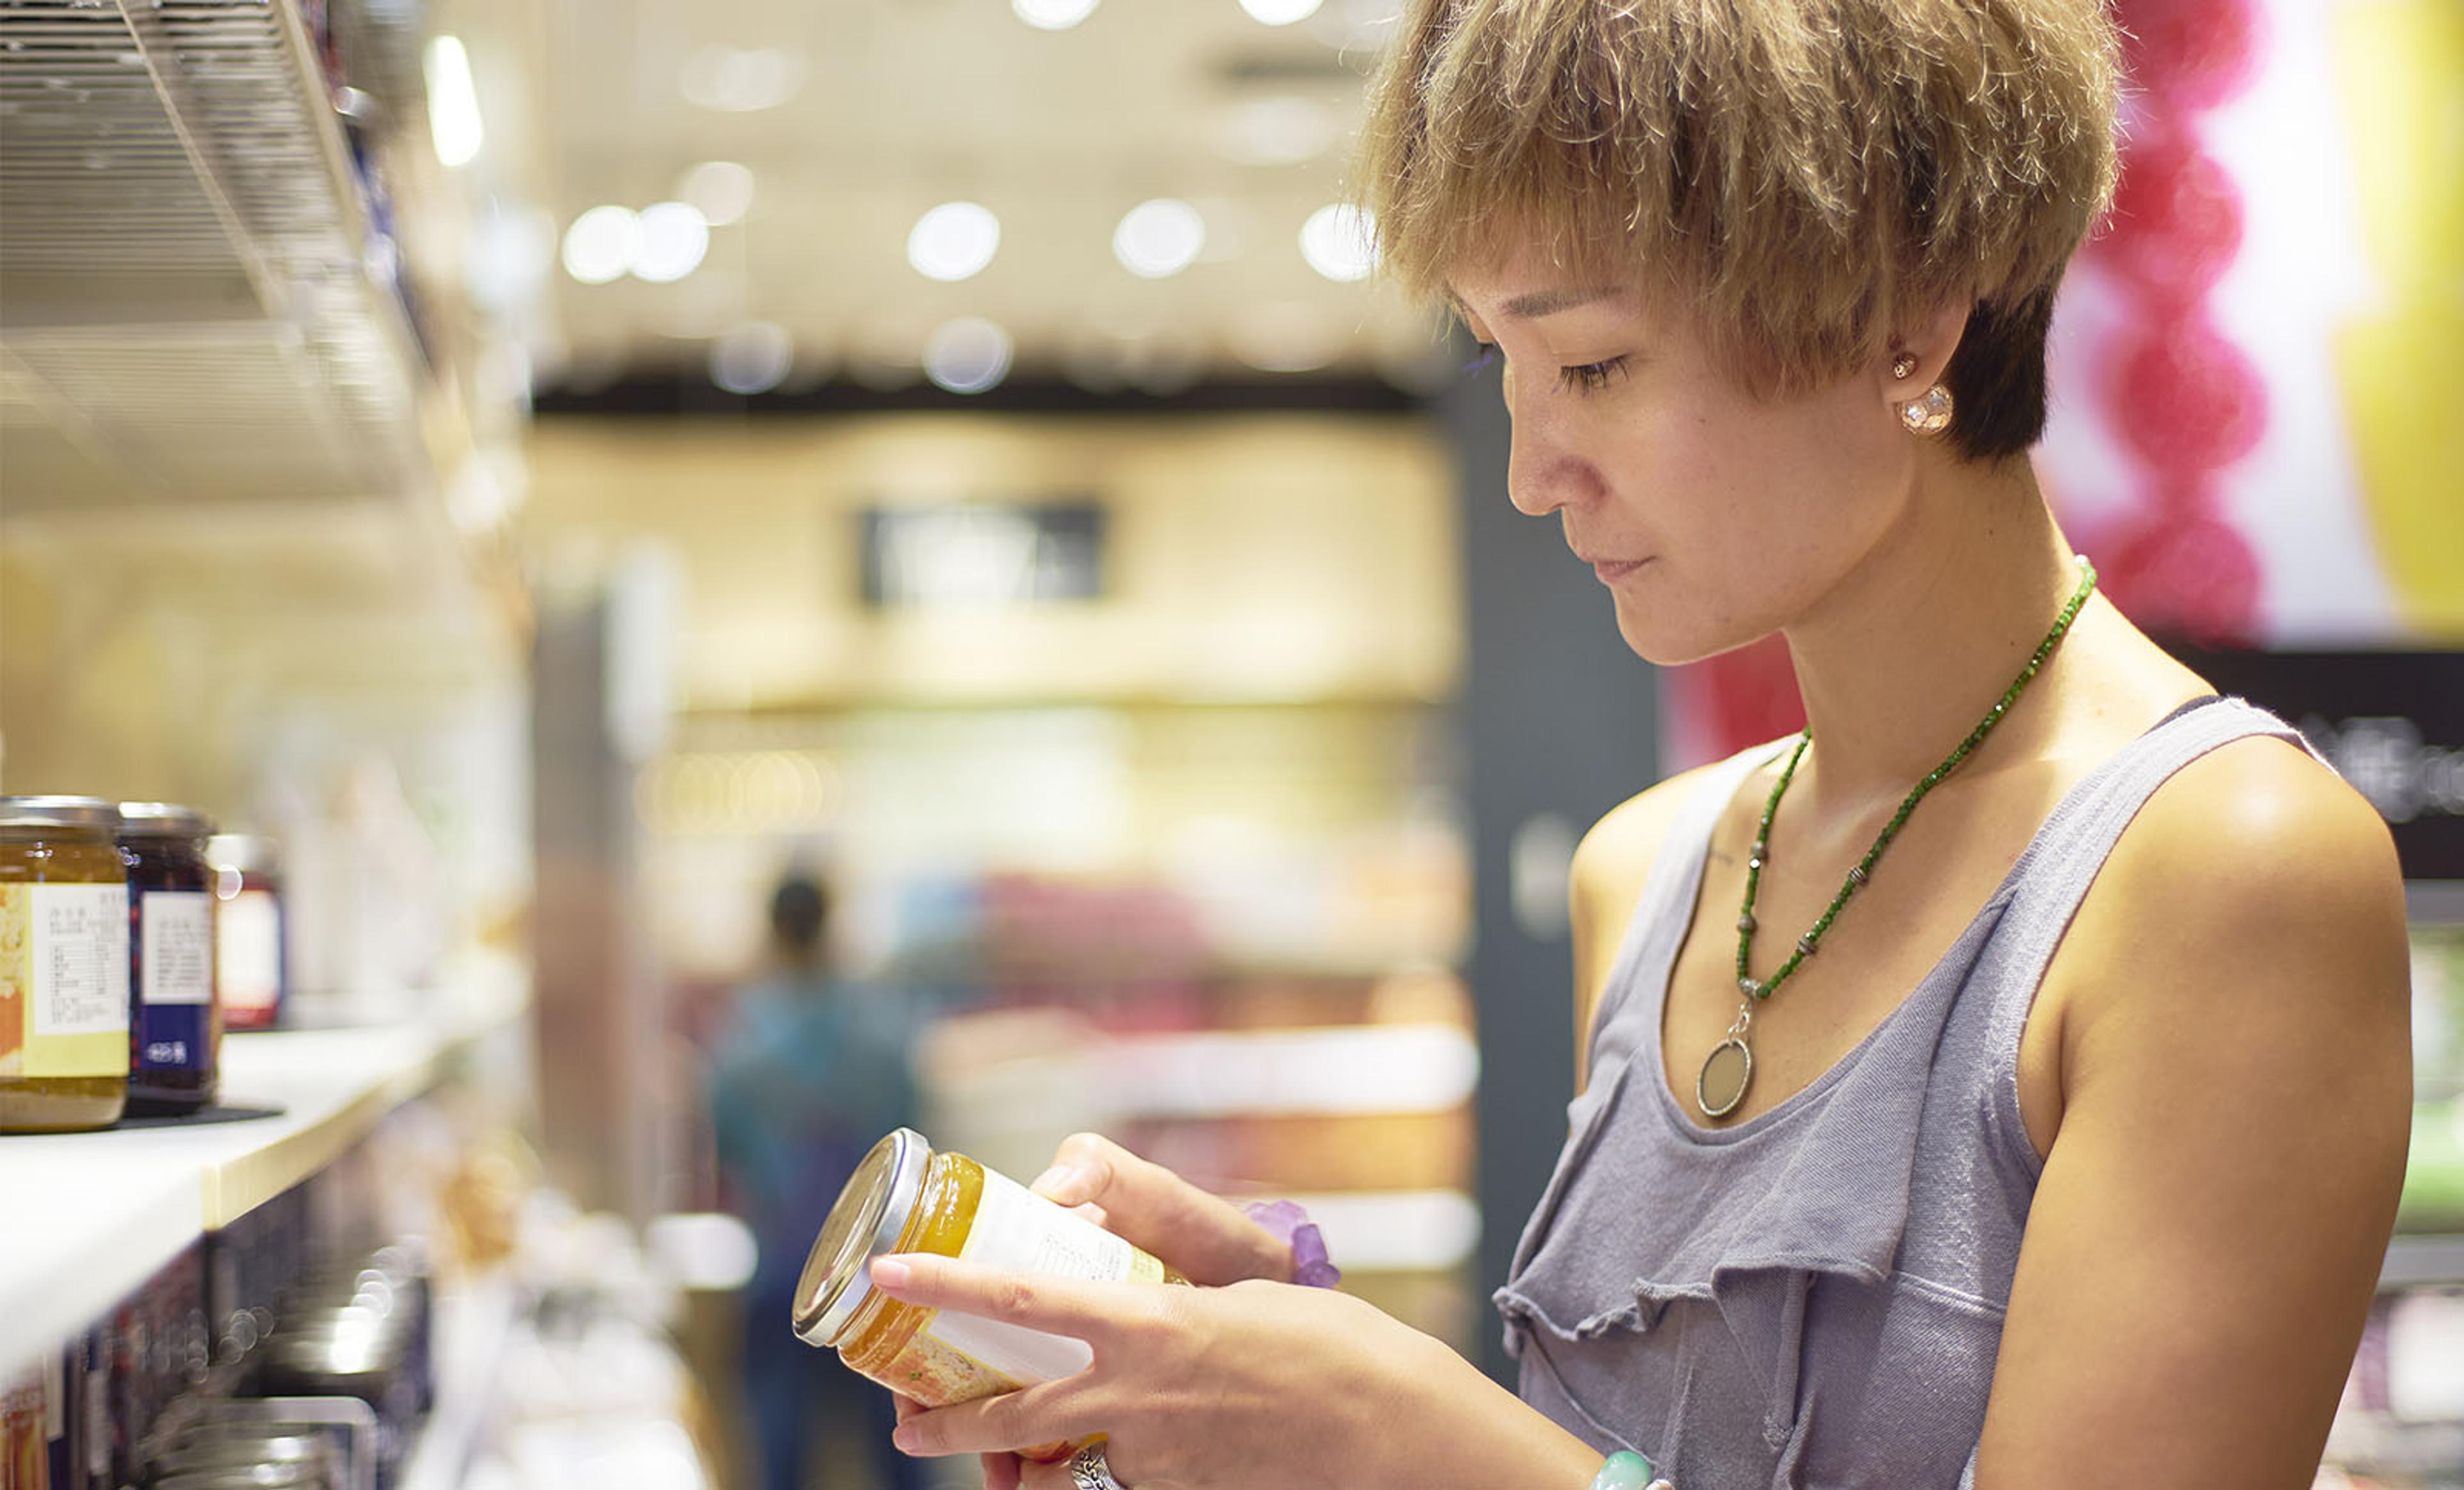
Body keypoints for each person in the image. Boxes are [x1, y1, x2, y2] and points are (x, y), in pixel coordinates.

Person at [867, 2, 2413, 1486]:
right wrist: (1291, 1370)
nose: (1534, 470)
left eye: (1595, 365)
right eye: (1500, 362)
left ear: (1906, 318)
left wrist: (1407, 1435)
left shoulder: (2223, 872)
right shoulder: (1655, 867)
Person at [711, 871, 924, 1490]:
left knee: (782, 1449)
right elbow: (917, 1144)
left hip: (785, 1274)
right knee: (902, 1440)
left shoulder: (740, 1042)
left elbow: (728, 1153)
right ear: (832, 925)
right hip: (880, 1275)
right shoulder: (883, 1034)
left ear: (772, 931)